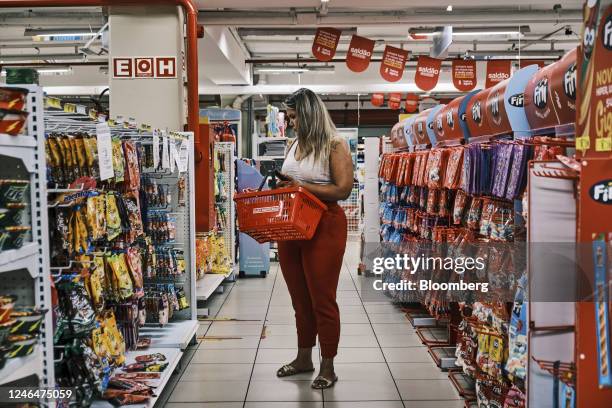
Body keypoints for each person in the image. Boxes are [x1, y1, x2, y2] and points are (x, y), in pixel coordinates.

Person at [274, 88, 354, 389]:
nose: (292, 123)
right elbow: (293, 183)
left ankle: (328, 365)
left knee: (322, 298)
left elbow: (342, 190)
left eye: (294, 117)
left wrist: (301, 187)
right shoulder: (294, 144)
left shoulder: (335, 145)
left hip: (324, 224)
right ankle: (303, 358)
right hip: (291, 225)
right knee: (299, 299)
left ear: (308, 116)